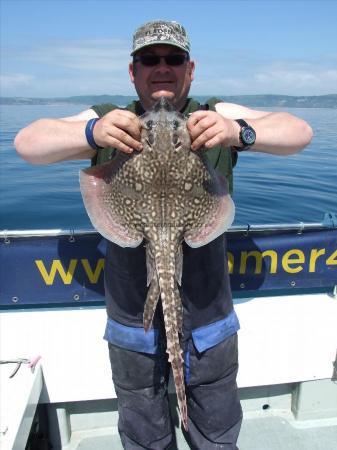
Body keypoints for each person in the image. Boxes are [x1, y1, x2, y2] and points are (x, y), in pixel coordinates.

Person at [15, 20, 313, 450]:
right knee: (143, 432)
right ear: (132, 71)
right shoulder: (110, 120)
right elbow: (27, 143)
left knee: (216, 428)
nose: (161, 67)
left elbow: (299, 132)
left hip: (210, 318)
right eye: (149, 59)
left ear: (189, 69)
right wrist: (91, 132)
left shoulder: (212, 115)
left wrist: (238, 132)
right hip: (131, 322)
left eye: (173, 59)